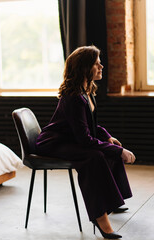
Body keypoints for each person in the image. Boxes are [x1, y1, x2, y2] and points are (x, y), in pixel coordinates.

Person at [36, 45, 135, 239]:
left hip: (69, 138)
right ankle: (100, 218)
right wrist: (118, 152)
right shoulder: (73, 97)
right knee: (94, 157)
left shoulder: (86, 91)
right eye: (96, 64)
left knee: (109, 148)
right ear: (84, 68)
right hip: (53, 143)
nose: (101, 66)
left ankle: (112, 202)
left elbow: (90, 125)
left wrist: (107, 137)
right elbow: (85, 139)